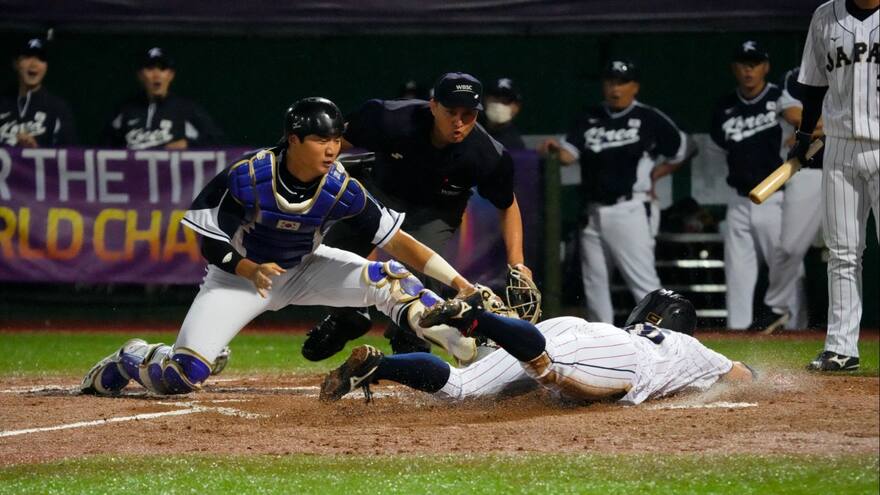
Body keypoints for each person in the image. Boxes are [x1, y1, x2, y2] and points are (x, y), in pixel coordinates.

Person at [80, 97, 480, 396]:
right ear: (293, 139)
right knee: (180, 376)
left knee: (391, 279)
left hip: (305, 268)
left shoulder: (341, 186)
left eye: (336, 139)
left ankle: (466, 345)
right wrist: (249, 269)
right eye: (320, 139)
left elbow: (398, 242)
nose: (332, 148)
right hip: (240, 279)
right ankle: (132, 356)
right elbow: (210, 240)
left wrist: (459, 283)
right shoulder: (249, 175)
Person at [302, 72, 533, 360]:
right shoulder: (389, 118)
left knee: (422, 272)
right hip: (379, 193)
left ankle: (410, 341)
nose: (459, 122)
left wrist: (518, 265)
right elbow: (334, 144)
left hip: (435, 211)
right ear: (433, 105)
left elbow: (507, 205)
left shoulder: (487, 154)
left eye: (468, 114)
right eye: (451, 112)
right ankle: (346, 318)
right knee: (330, 255)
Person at [320, 289, 756, 405]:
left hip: (580, 329)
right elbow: (744, 377)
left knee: (463, 390)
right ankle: (476, 319)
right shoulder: (685, 347)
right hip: (620, 358)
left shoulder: (639, 332)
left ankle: (380, 365)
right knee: (547, 367)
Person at [538, 59, 687, 324]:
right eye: (610, 82)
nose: (615, 88)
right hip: (593, 212)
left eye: (622, 82)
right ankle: (605, 340)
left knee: (642, 281)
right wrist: (553, 149)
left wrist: (655, 175)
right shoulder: (590, 117)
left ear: (635, 86)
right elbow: (568, 155)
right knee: (594, 284)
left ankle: (667, 333)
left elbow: (683, 149)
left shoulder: (648, 117)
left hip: (630, 208)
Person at [791, 0, 878, 371]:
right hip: (839, 146)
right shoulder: (826, 15)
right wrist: (803, 135)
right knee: (842, 252)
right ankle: (841, 349)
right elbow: (813, 86)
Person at [708, 41, 804, 331]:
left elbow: (806, 126)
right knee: (737, 273)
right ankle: (737, 335)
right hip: (739, 199)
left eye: (755, 63)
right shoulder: (725, 106)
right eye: (743, 64)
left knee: (785, 269)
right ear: (734, 68)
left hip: (777, 197)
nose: (748, 70)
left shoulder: (781, 99)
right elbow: (719, 150)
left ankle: (796, 330)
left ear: (766, 66)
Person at [760, 67, 825, 333]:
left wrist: (817, 127)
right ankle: (776, 308)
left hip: (854, 163)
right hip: (809, 168)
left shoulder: (865, 68)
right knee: (788, 247)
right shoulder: (798, 75)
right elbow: (796, 117)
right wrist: (838, 125)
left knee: (844, 250)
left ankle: (840, 323)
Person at [103, 47, 223, 150]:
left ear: (171, 75)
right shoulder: (125, 110)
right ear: (140, 75)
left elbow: (217, 141)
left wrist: (188, 144)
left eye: (162, 68)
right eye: (150, 68)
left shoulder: (185, 109)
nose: (156, 75)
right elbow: (104, 147)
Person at [0, 37, 76, 147]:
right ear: (15, 63)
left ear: (46, 66)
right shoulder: (3, 103)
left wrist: (35, 151)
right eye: (27, 57)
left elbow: (69, 155)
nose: (34, 64)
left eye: (41, 58)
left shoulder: (57, 109)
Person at [482, 77, 525, 150]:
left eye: (505, 101)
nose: (499, 105)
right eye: (495, 99)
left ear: (517, 107)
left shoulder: (515, 145)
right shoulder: (468, 128)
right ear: (485, 100)